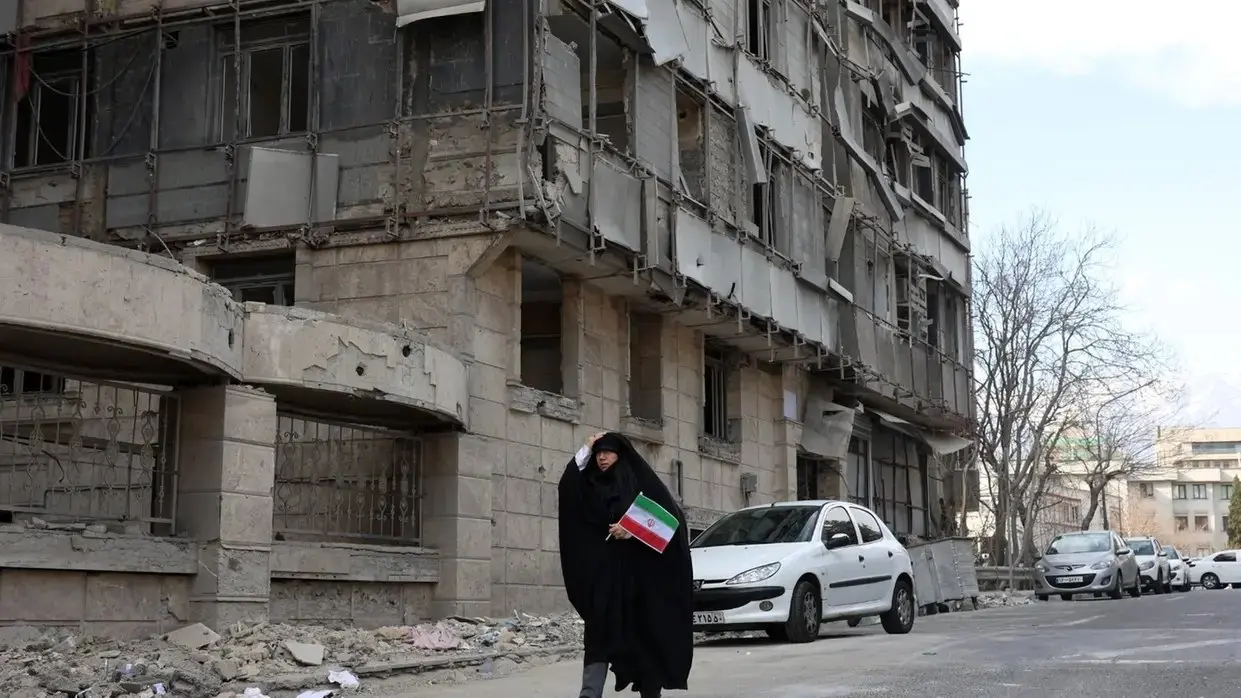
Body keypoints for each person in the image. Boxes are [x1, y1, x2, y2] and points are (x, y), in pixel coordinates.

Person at [558, 431, 694, 698]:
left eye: (607, 452)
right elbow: (567, 488)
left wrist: (632, 530)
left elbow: (670, 522)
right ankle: (589, 693)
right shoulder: (590, 486)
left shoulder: (639, 483)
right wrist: (586, 447)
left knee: (644, 638)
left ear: (620, 455)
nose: (602, 457)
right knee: (597, 635)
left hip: (639, 582)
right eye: (598, 453)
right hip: (605, 582)